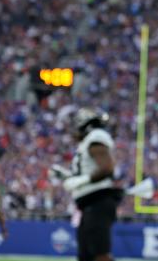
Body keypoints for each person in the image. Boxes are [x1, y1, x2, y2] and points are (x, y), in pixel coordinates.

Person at [51, 109, 121, 261]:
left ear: (86, 125)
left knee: (100, 255)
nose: (74, 130)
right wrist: (66, 175)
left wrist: (81, 181)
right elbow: (87, 173)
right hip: (89, 205)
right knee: (86, 256)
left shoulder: (95, 137)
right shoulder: (88, 142)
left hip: (98, 203)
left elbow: (107, 168)